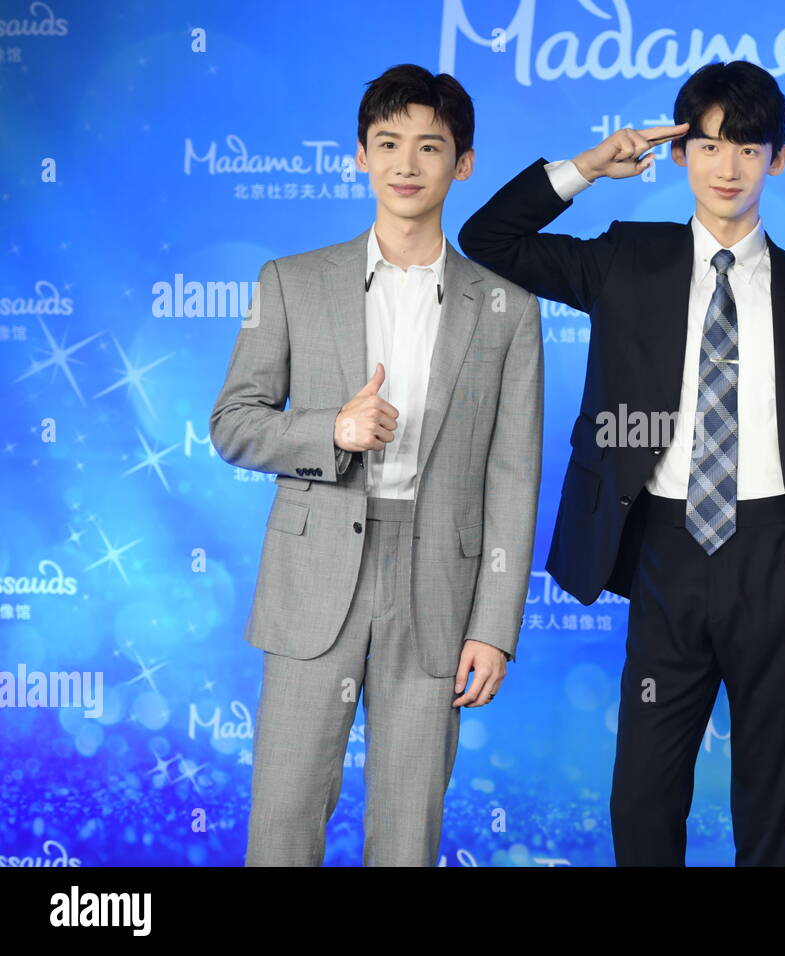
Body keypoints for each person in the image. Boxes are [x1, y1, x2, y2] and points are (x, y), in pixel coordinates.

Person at [459, 60, 785, 866]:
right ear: (680, 154)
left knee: (773, 790)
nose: (727, 166)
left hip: (779, 552)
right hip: (665, 543)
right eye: (709, 144)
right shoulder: (627, 259)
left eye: (748, 148)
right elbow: (487, 239)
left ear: (778, 159)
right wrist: (585, 169)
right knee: (644, 791)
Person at [209, 64, 542, 866]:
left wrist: (495, 627)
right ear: (360, 154)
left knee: (407, 831)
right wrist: (333, 429)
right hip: (315, 573)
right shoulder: (291, 281)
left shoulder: (508, 309)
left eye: (431, 147)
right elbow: (232, 424)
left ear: (462, 163)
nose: (407, 163)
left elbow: (513, 476)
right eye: (388, 143)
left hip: (438, 590)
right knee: (284, 817)